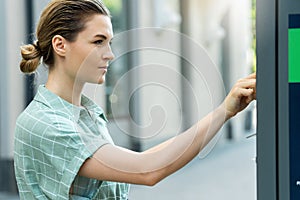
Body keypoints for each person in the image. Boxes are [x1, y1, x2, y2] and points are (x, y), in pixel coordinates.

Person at [14, 0, 257, 199]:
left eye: (109, 42)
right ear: (60, 45)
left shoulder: (87, 114)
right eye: (98, 42)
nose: (109, 54)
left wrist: (225, 110)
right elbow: (146, 170)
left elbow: (142, 160)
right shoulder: (46, 124)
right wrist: (223, 112)